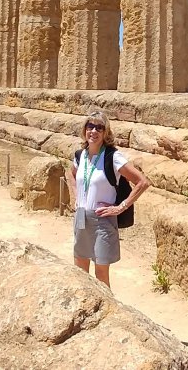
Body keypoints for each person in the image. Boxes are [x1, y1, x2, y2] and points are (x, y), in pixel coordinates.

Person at [65, 110, 151, 289]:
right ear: (84, 130)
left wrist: (121, 207)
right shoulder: (80, 155)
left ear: (105, 132)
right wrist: (75, 196)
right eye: (90, 126)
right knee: (80, 270)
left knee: (101, 275)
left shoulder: (113, 156)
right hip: (81, 217)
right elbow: (70, 174)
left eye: (99, 127)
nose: (94, 131)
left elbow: (142, 182)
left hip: (102, 220)